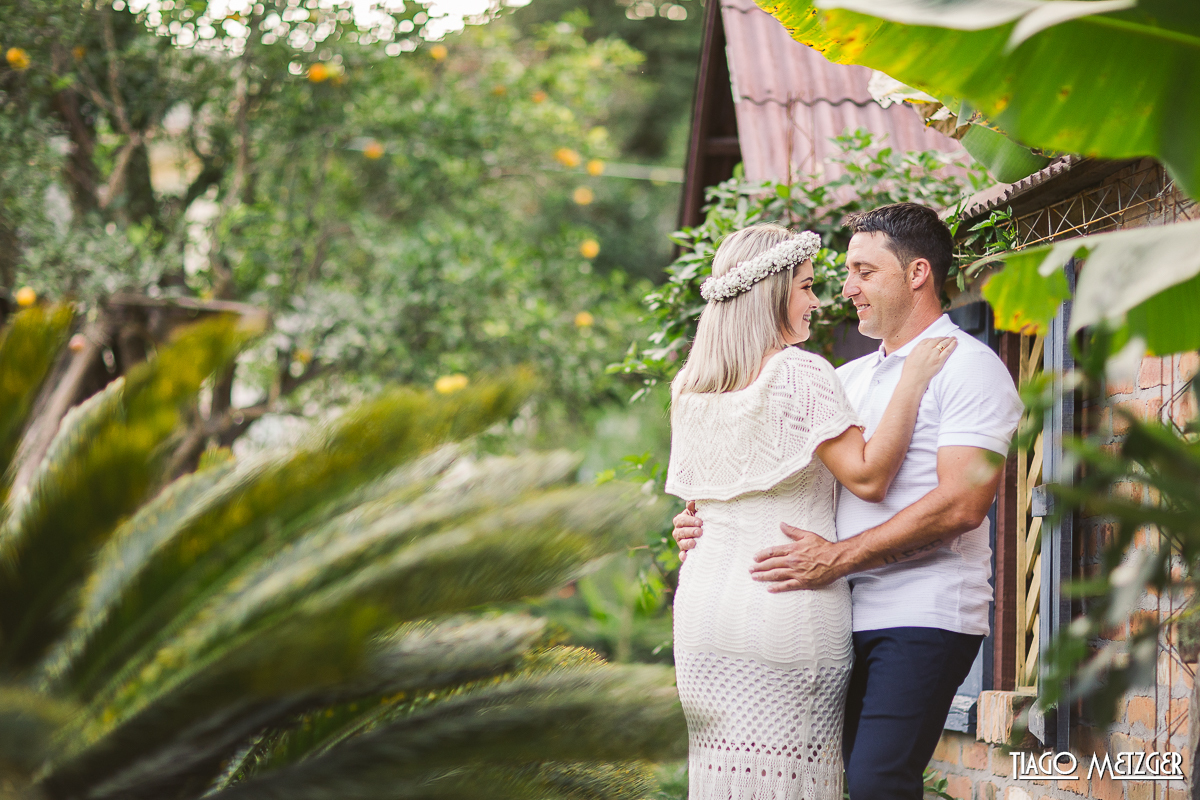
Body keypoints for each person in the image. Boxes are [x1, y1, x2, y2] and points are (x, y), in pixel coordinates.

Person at [672, 203, 1023, 799]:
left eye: (862, 271)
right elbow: (783, 476)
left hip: (920, 610)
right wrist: (706, 520)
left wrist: (838, 557)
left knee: (876, 782)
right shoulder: (849, 378)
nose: (846, 288)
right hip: (834, 611)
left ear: (916, 274)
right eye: (839, 274)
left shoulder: (970, 368)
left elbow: (962, 506)